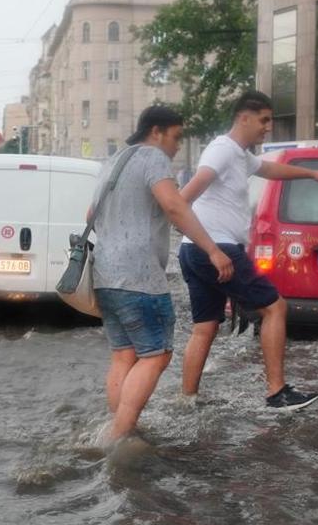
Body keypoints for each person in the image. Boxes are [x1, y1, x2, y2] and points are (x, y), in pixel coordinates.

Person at [178, 90, 318, 410]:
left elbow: (269, 170)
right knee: (274, 308)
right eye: (264, 120)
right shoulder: (222, 150)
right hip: (216, 248)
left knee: (205, 327)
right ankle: (276, 392)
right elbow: (184, 198)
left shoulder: (240, 154)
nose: (268, 127)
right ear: (244, 118)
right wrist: (212, 250)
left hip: (193, 249)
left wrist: (311, 175)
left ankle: (187, 400)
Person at [91, 106, 233, 445]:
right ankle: (119, 436)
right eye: (175, 137)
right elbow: (174, 206)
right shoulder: (152, 158)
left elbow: (90, 214)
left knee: (124, 355)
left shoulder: (111, 163)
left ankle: (116, 427)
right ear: (156, 132)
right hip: (138, 277)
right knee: (157, 355)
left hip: (104, 275)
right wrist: (212, 250)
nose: (176, 145)